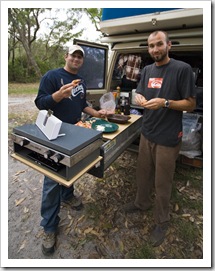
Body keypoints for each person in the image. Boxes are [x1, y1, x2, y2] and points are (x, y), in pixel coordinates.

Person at [122, 30, 196, 247]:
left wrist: (165, 103)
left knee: (162, 182)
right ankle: (141, 203)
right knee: (142, 173)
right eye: (151, 46)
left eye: (159, 44)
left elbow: (190, 103)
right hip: (147, 132)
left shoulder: (181, 69)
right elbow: (140, 92)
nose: (155, 49)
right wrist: (139, 96)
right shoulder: (146, 69)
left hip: (168, 136)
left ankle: (162, 221)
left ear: (168, 45)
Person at [35, 45, 107, 255]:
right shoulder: (52, 77)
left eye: (79, 57)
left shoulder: (81, 81)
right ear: (66, 56)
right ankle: (49, 226)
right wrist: (57, 96)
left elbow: (82, 103)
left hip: (76, 131)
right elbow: (39, 103)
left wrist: (96, 113)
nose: (76, 59)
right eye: (73, 55)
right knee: (51, 180)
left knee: (72, 168)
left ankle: (68, 195)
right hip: (55, 135)